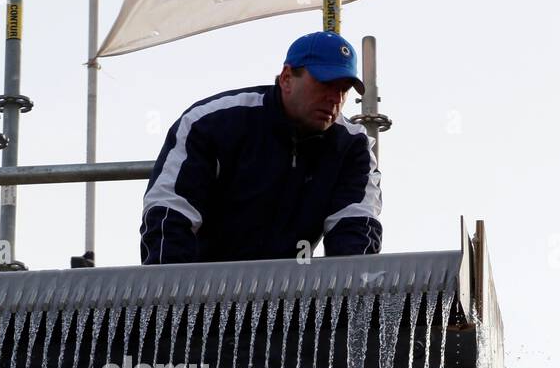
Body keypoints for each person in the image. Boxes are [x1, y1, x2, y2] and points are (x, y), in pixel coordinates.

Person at [140, 31, 382, 265]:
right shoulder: (211, 123)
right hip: (203, 291)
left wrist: (352, 300)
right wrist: (173, 300)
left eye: (343, 89)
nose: (335, 98)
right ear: (286, 78)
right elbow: (169, 216)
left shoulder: (352, 145)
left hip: (291, 292)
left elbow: (355, 230)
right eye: (325, 83)